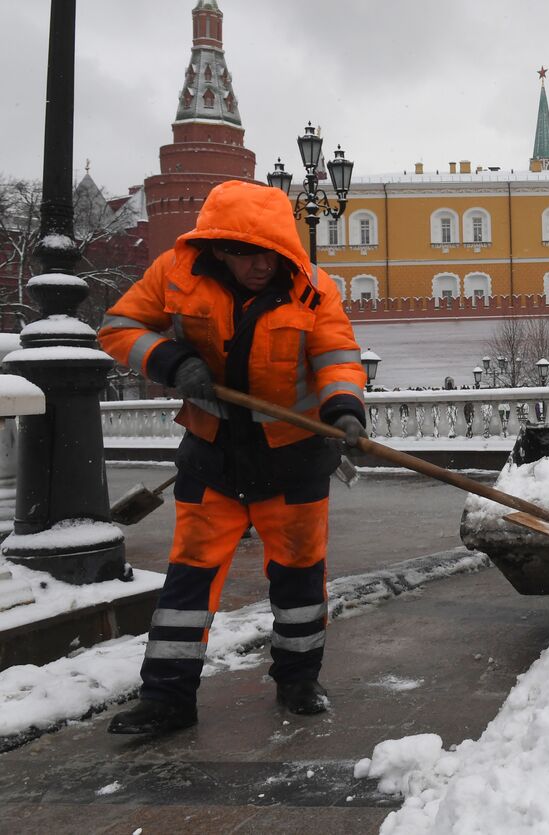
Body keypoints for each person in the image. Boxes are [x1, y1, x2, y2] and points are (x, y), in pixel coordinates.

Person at [98, 180, 367, 735]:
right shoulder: (174, 275)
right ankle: (167, 699)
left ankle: (298, 680)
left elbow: (337, 354)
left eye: (272, 253)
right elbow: (120, 328)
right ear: (218, 247)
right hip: (212, 456)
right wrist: (172, 362)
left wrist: (344, 410)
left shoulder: (314, 289)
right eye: (246, 254)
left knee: (298, 580)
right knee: (188, 586)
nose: (262, 266)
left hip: (294, 458)